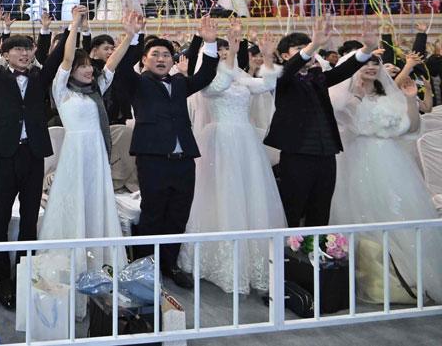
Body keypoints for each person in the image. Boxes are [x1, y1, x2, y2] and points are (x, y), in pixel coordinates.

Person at [0, 0, 64, 310]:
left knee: (29, 217)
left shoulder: (40, 77)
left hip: (33, 154)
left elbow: (56, 57)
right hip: (6, 153)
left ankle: (25, 270)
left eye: (27, 49)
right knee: (1, 215)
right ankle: (1, 276)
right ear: (6, 55)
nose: (22, 54)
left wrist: (67, 28)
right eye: (16, 49)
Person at [177, 22, 285, 294]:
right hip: (221, 139)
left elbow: (265, 84)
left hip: (245, 140)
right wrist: (234, 54)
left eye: (229, 49)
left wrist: (269, 57)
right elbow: (219, 85)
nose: (227, 53)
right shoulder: (208, 76)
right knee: (221, 194)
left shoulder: (239, 75)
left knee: (250, 194)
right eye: (223, 50)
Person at [113, 15, 220, 289]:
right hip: (153, 159)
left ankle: (170, 264)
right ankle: (145, 267)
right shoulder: (138, 83)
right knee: (152, 214)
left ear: (173, 61)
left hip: (184, 159)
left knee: (178, 213)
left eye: (166, 55)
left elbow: (206, 75)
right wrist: (134, 37)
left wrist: (209, 43)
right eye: (155, 54)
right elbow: (123, 67)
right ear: (145, 60)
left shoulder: (180, 83)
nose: (162, 59)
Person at [329, 50, 442, 302]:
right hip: (358, 159)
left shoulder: (388, 95)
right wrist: (355, 93)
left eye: (375, 63)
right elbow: (343, 119)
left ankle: (410, 277)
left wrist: (411, 100)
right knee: (365, 211)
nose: (371, 67)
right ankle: (374, 279)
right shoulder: (346, 97)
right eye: (365, 62)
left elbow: (410, 128)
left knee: (399, 209)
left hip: (392, 159)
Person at [39, 7, 135, 280]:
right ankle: (73, 260)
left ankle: (98, 260)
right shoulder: (62, 91)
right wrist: (74, 25)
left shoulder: (96, 91)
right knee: (74, 204)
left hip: (97, 156)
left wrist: (128, 37)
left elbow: (112, 64)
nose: (87, 69)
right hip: (74, 156)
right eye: (82, 66)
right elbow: (67, 57)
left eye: (88, 66)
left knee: (96, 203)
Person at [266, 18, 378, 228]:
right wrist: (314, 44)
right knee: (293, 206)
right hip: (297, 153)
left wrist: (368, 48)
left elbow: (343, 71)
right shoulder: (280, 77)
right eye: (299, 48)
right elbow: (291, 68)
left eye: (309, 47)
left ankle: (317, 252)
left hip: (326, 152)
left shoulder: (318, 76)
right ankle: (287, 255)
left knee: (321, 207)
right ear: (284, 55)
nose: (310, 51)